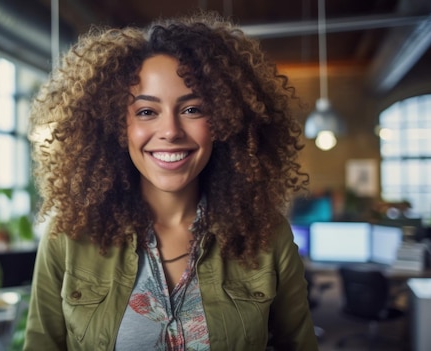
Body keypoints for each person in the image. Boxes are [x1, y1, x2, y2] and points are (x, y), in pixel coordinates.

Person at [24, 11, 317, 351]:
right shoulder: (68, 236)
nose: (171, 132)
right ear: (117, 127)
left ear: (225, 120)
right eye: (147, 112)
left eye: (192, 109)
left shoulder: (267, 234)